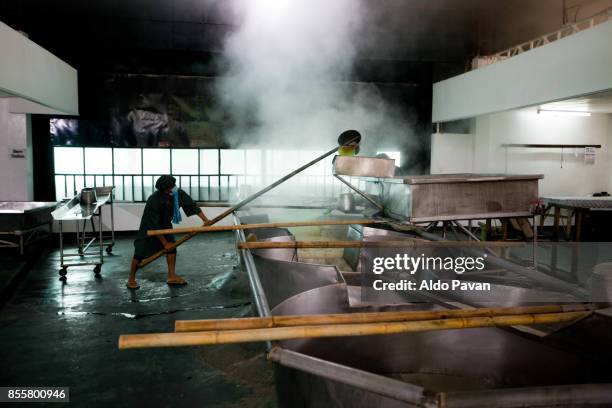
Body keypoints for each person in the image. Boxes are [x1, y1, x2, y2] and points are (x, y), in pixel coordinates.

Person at [127, 175, 210, 289]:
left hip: (166, 225)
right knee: (140, 252)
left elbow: (191, 205)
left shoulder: (177, 193)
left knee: (172, 250)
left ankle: (172, 276)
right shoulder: (154, 199)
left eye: (172, 187)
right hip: (149, 227)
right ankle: (131, 278)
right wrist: (165, 243)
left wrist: (205, 220)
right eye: (168, 189)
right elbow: (154, 225)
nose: (171, 189)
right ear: (162, 190)